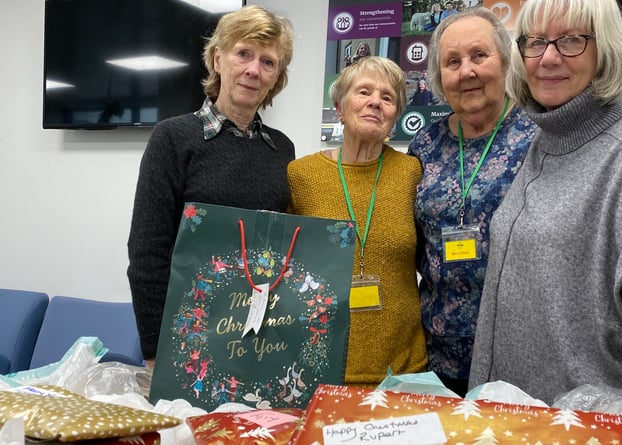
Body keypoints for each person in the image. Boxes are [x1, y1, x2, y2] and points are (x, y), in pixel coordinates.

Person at [469, 0, 622, 411]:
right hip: (521, 423)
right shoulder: (544, 145)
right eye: (536, 42)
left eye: (572, 40)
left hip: (593, 429)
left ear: (606, 50)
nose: (549, 58)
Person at [127, 5, 295, 368]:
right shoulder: (173, 138)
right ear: (218, 60)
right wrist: (155, 350)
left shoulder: (283, 149)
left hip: (260, 338)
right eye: (244, 54)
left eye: (268, 62)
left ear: (276, 76)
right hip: (186, 337)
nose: (254, 69)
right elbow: (147, 253)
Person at [407, 7, 537, 397]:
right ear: (439, 78)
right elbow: (413, 242)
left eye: (479, 56)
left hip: (519, 356)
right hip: (436, 356)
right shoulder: (424, 146)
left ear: (505, 62)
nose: (467, 72)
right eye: (452, 62)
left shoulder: (538, 138)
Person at [287, 56, 428, 387]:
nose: (375, 102)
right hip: (323, 365)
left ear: (395, 115)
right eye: (363, 91)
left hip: (404, 368)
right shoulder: (301, 176)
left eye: (388, 97)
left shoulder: (411, 173)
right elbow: (288, 268)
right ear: (339, 108)